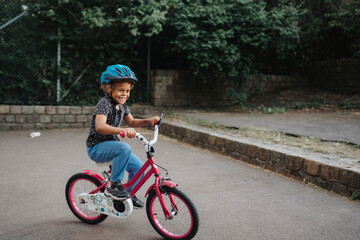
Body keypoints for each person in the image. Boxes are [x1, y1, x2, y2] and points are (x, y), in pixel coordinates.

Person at [86, 64, 159, 208]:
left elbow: (131, 121)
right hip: (96, 147)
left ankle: (126, 196)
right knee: (124, 148)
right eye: (121, 90)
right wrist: (121, 130)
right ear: (108, 88)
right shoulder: (104, 104)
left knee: (139, 168)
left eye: (127, 91)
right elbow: (100, 127)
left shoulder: (123, 106)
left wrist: (148, 121)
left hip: (113, 146)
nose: (124, 94)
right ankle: (114, 186)